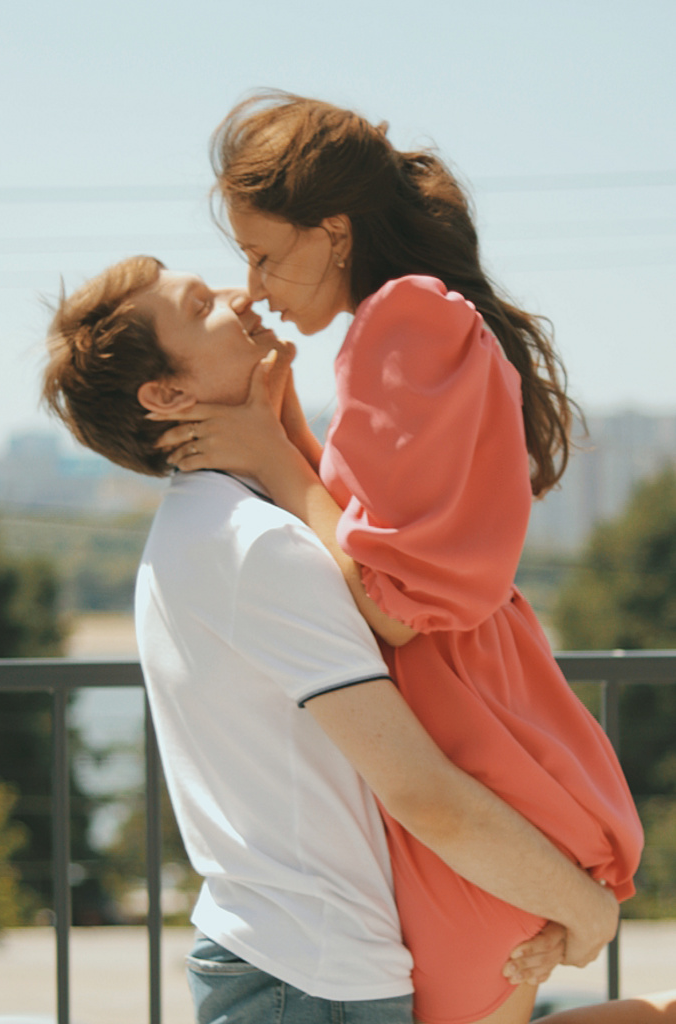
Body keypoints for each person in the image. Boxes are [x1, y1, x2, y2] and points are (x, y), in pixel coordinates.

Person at [146, 92, 652, 1024]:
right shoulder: (404, 321)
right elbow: (368, 537)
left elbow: (389, 605)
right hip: (456, 723)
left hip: (460, 733)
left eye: (261, 255)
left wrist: (270, 454)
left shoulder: (402, 320)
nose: (251, 287)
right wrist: (280, 433)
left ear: (333, 233)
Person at [41, 255, 633, 1024]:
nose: (241, 294)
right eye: (199, 306)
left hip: (294, 967)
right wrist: (587, 910)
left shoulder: (211, 523)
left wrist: (277, 431)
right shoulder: (253, 544)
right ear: (167, 394)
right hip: (313, 982)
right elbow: (423, 792)